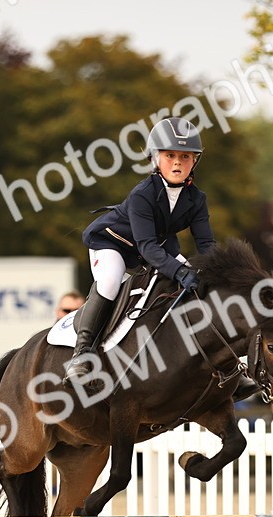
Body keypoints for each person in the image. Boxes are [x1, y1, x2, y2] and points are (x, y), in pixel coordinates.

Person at [64, 116, 216, 382]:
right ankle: (82, 353)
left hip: (154, 248)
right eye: (170, 155)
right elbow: (147, 247)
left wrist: (216, 272)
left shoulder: (197, 199)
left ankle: (223, 362)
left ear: (195, 161)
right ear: (155, 159)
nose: (178, 162)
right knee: (111, 281)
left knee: (202, 284)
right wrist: (180, 272)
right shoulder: (142, 194)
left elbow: (206, 244)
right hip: (113, 244)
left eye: (185, 156)